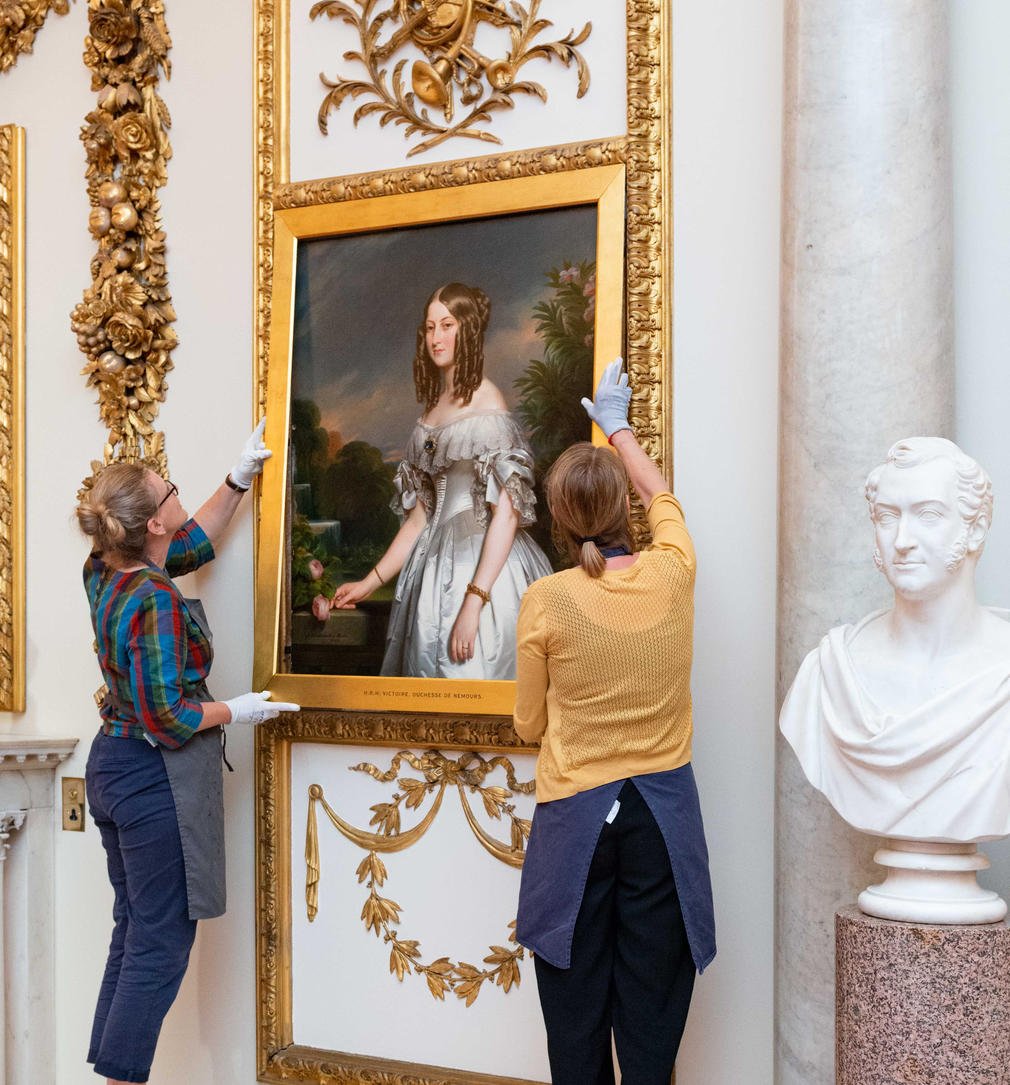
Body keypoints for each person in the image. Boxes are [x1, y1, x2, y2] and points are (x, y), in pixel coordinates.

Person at [77, 421, 299, 1085]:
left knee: (135, 927)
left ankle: (112, 1072)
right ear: (148, 525)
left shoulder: (106, 568)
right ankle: (122, 1077)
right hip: (148, 775)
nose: (178, 492)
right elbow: (171, 719)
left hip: (112, 766)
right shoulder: (153, 601)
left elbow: (191, 540)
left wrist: (238, 477)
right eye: (169, 490)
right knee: (163, 937)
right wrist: (242, 708)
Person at [513, 359, 715, 1085]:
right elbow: (664, 496)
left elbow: (529, 723)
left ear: (559, 519)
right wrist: (619, 425)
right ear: (620, 510)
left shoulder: (546, 598)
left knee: (573, 1015)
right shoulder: (673, 568)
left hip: (575, 820)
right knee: (652, 1012)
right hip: (663, 819)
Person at [780, 437, 1010, 841]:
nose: (902, 540)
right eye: (887, 517)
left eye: (928, 515)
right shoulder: (831, 672)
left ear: (975, 530)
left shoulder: (1001, 675)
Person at [332, 281, 552, 678]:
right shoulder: (432, 409)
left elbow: (506, 515)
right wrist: (368, 582)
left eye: (447, 325)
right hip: (431, 569)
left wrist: (474, 601)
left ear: (467, 330)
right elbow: (419, 520)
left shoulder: (488, 402)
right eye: (430, 327)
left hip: (485, 568)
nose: (436, 337)